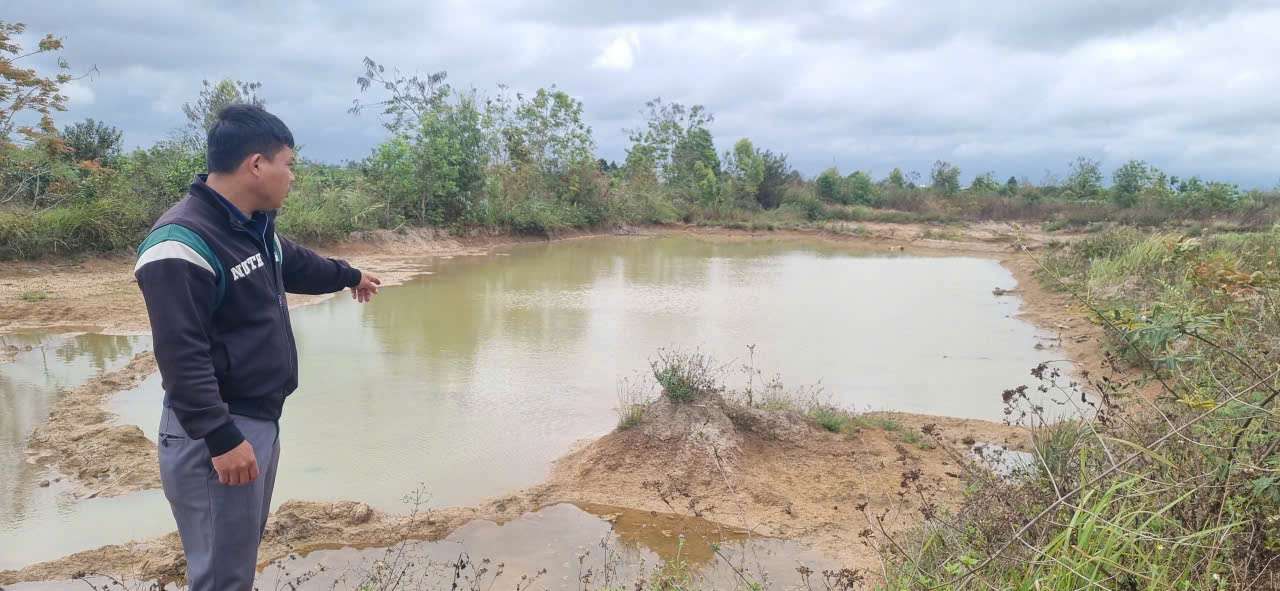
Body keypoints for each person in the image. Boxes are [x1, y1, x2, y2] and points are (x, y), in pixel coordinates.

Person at [133, 104, 380, 590]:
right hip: (218, 431)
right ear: (256, 165)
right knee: (221, 578)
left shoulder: (249, 226)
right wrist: (221, 439)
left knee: (235, 567)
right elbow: (182, 355)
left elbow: (295, 262)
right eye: (288, 164)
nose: (292, 177)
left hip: (255, 421)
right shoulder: (180, 245)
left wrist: (350, 275)